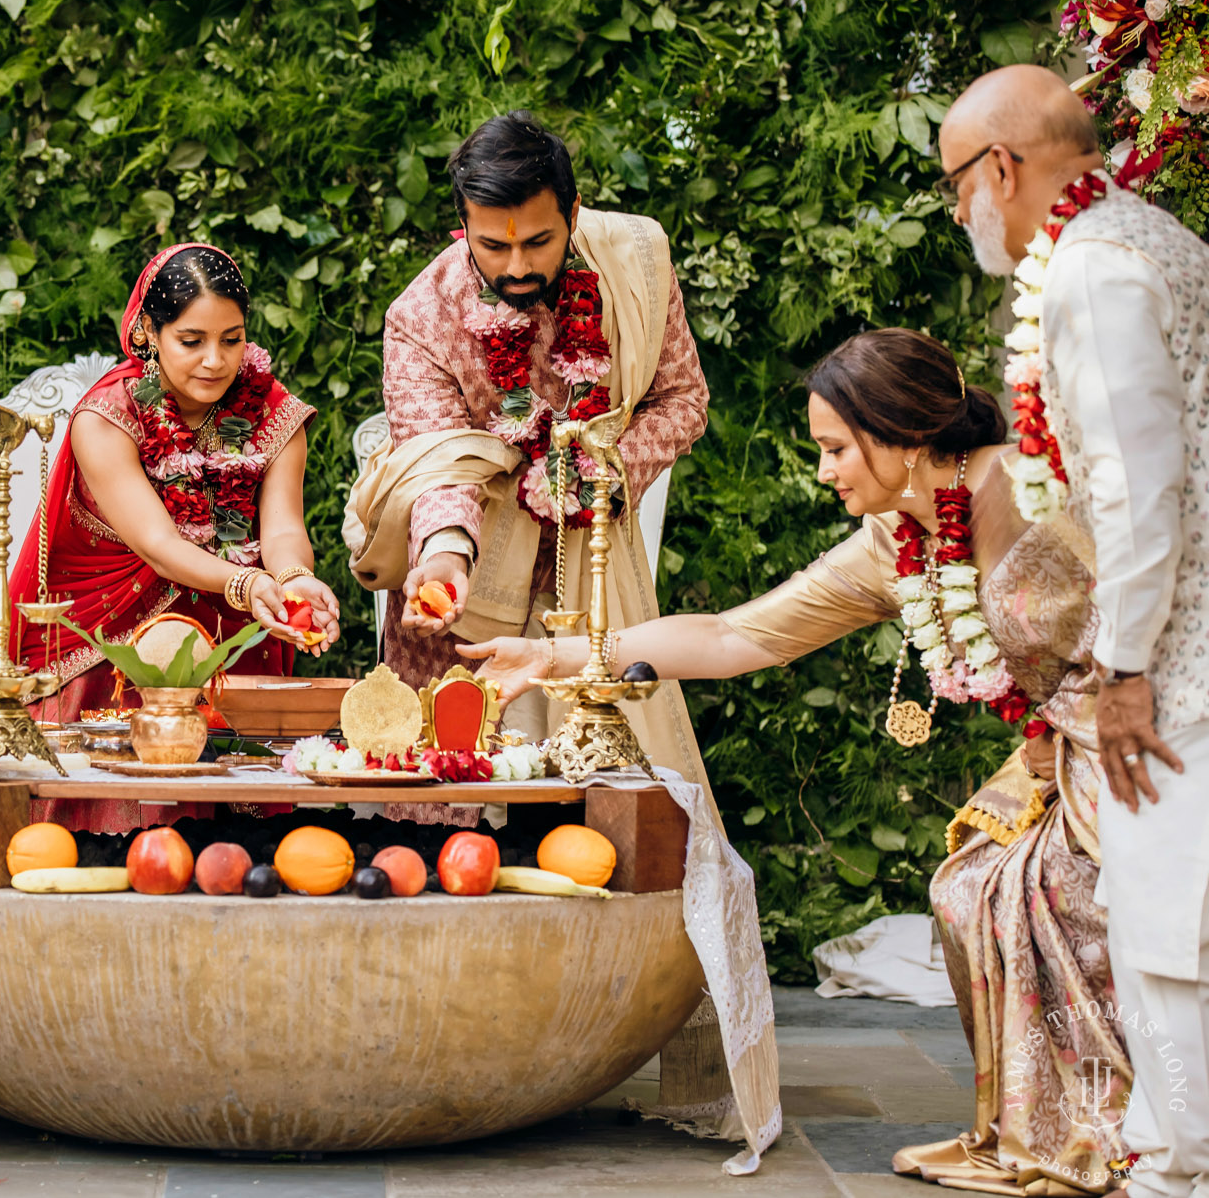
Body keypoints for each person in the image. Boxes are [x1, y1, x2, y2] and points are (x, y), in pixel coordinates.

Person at [464, 328, 1129, 1195]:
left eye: (836, 448)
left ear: (901, 432)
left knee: (1067, 894)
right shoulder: (899, 541)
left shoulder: (1040, 482)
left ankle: (1126, 1129)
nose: (825, 472)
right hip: (1057, 746)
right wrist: (560, 658)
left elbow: (1162, 587)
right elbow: (740, 634)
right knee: (968, 887)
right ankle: (1023, 1130)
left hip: (1141, 734)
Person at [940, 64, 1209, 1198]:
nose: (962, 214)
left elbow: (1136, 488)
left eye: (955, 187)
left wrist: (1128, 668)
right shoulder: (1151, 237)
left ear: (999, 167)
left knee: (1159, 924)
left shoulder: (1090, 271)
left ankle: (1178, 1162)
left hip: (1180, 656)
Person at [343, 110, 710, 781]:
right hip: (470, 592)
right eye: (492, 246)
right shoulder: (422, 317)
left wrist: (593, 470)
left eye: (539, 241)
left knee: (598, 812)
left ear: (573, 210)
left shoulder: (635, 263)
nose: (517, 265)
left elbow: (683, 399)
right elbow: (437, 464)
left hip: (594, 574)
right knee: (451, 795)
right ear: (463, 223)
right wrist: (445, 558)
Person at [7, 243, 338, 709]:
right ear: (148, 331)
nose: (215, 361)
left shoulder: (269, 408)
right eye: (191, 340)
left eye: (231, 339)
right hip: (107, 645)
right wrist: (248, 584)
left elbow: (283, 527)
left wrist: (292, 579)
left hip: (231, 635)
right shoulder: (108, 418)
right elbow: (159, 547)